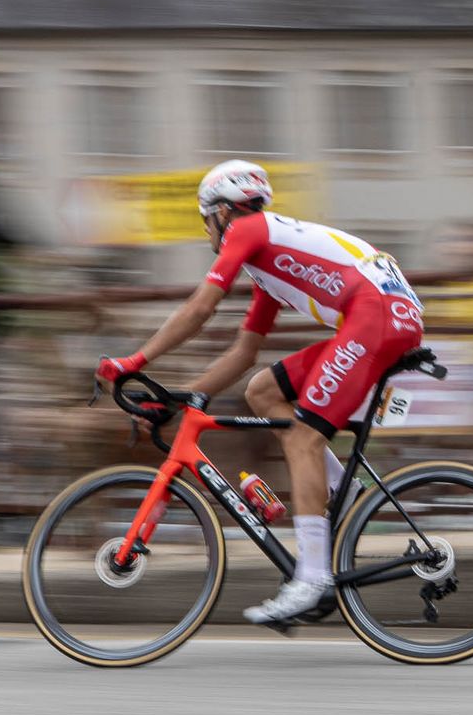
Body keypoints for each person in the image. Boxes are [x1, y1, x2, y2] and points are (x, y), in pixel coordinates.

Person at [96, 161, 425, 624]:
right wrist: (182, 399)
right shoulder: (268, 257)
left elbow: (200, 309)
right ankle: (340, 489)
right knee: (263, 390)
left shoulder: (247, 231)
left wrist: (132, 362)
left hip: (377, 316)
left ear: (220, 214)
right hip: (381, 313)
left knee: (306, 438)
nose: (208, 232)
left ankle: (311, 580)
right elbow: (243, 353)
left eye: (205, 222)